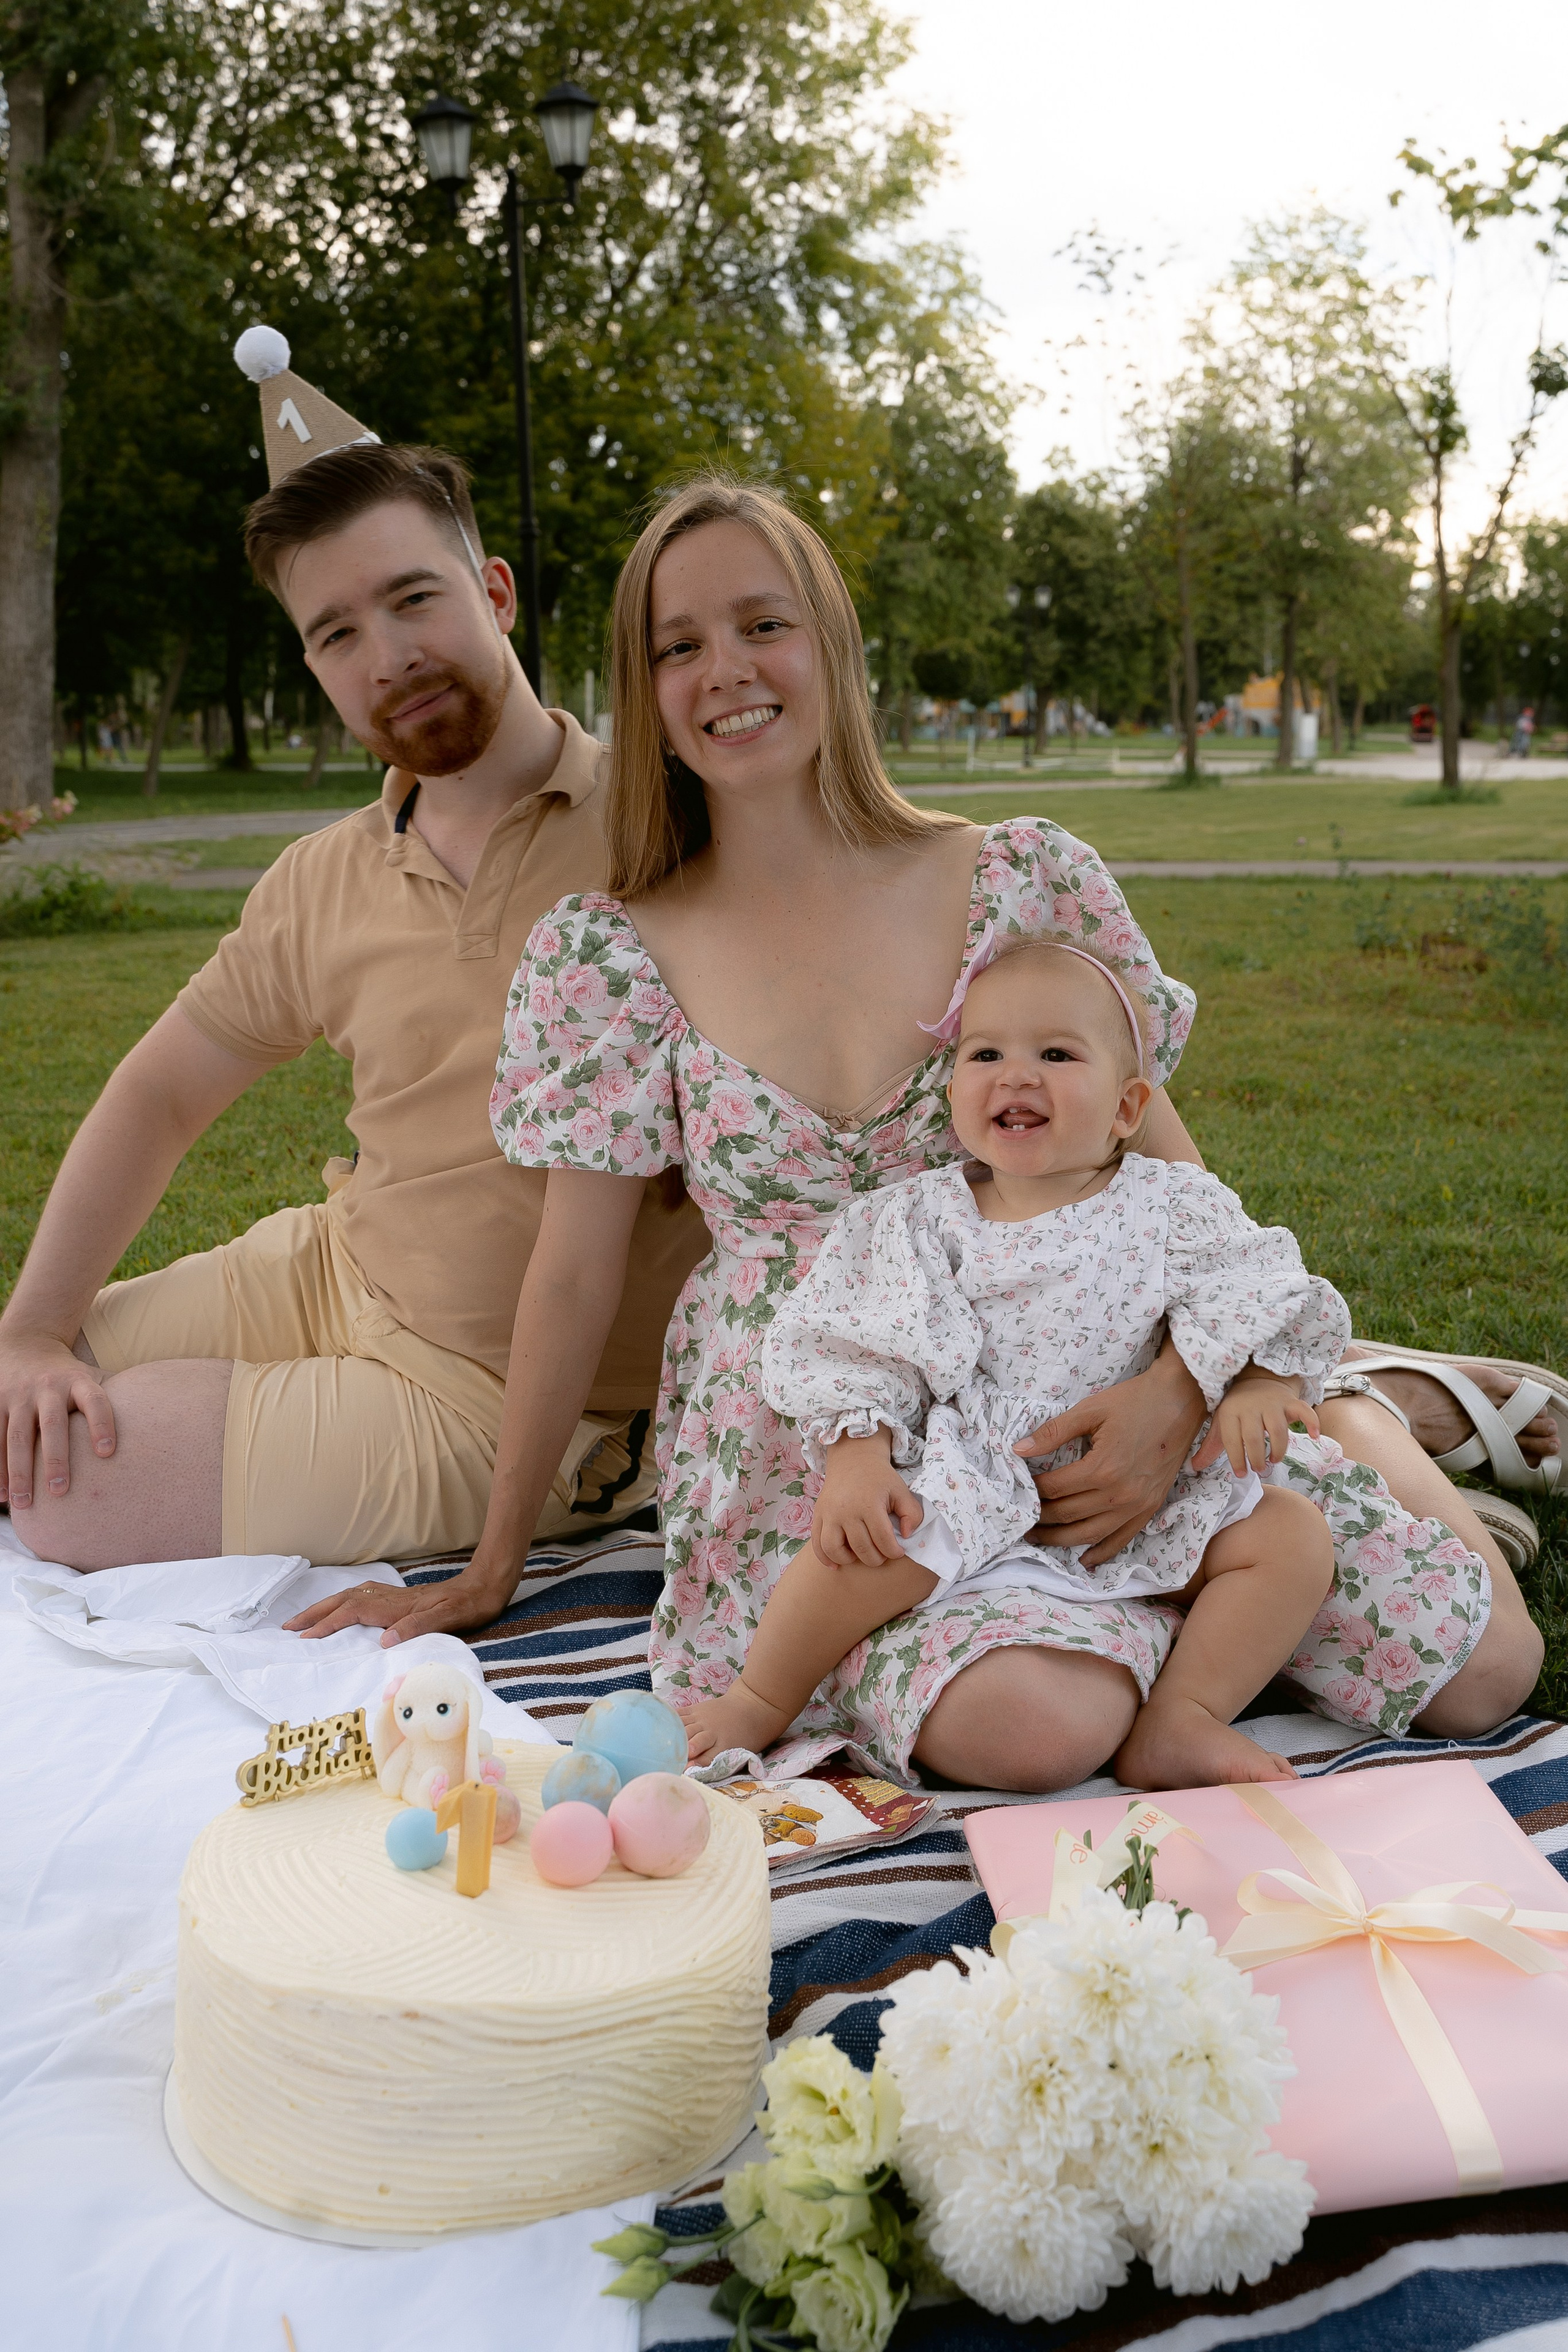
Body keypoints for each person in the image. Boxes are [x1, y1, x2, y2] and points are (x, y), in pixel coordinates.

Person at [293, 476, 1542, 1793]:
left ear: (830, 642)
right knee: (1035, 1730)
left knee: (1482, 1677)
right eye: (677, 646)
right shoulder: (607, 954)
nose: (725, 671)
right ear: (641, 686)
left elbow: (1173, 1181)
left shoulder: (1017, 881)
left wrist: (1179, 1398)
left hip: (1093, 1363)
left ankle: (1355, 1428)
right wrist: (495, 1566)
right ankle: (1137, 1638)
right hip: (845, 1451)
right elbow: (572, 1273)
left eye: (760, 624)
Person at [0, 347, 707, 1569]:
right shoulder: (322, 879)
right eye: (336, 633)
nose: (386, 655)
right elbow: (163, 1094)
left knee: (70, 1488)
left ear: (494, 589)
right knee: (19, 1399)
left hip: (517, 1402)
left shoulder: (673, 820)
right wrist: (32, 1329)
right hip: (338, 1267)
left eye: (413, 598)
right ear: (314, 667)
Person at [685, 938, 1357, 1789]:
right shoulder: (923, 1220)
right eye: (986, 1053)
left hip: (1146, 1493)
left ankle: (1183, 1717)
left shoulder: (1170, 1205)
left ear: (1125, 1108)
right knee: (857, 1550)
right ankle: (759, 1695)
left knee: (1290, 1538)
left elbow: (1258, 1288)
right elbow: (858, 1341)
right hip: (975, 1477)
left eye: (1056, 1054)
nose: (1017, 1075)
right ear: (953, 1089)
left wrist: (1258, 1381)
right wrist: (857, 1457)